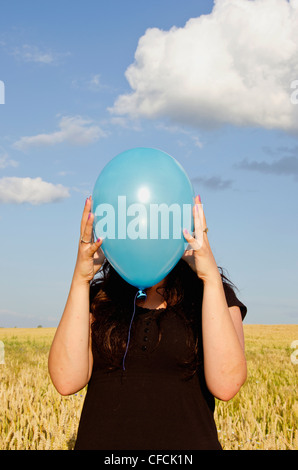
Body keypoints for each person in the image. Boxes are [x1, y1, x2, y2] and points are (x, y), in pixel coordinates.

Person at [48, 194, 247, 450]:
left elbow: (227, 385)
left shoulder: (211, 293)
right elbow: (66, 381)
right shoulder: (97, 297)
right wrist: (80, 278)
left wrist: (209, 276)